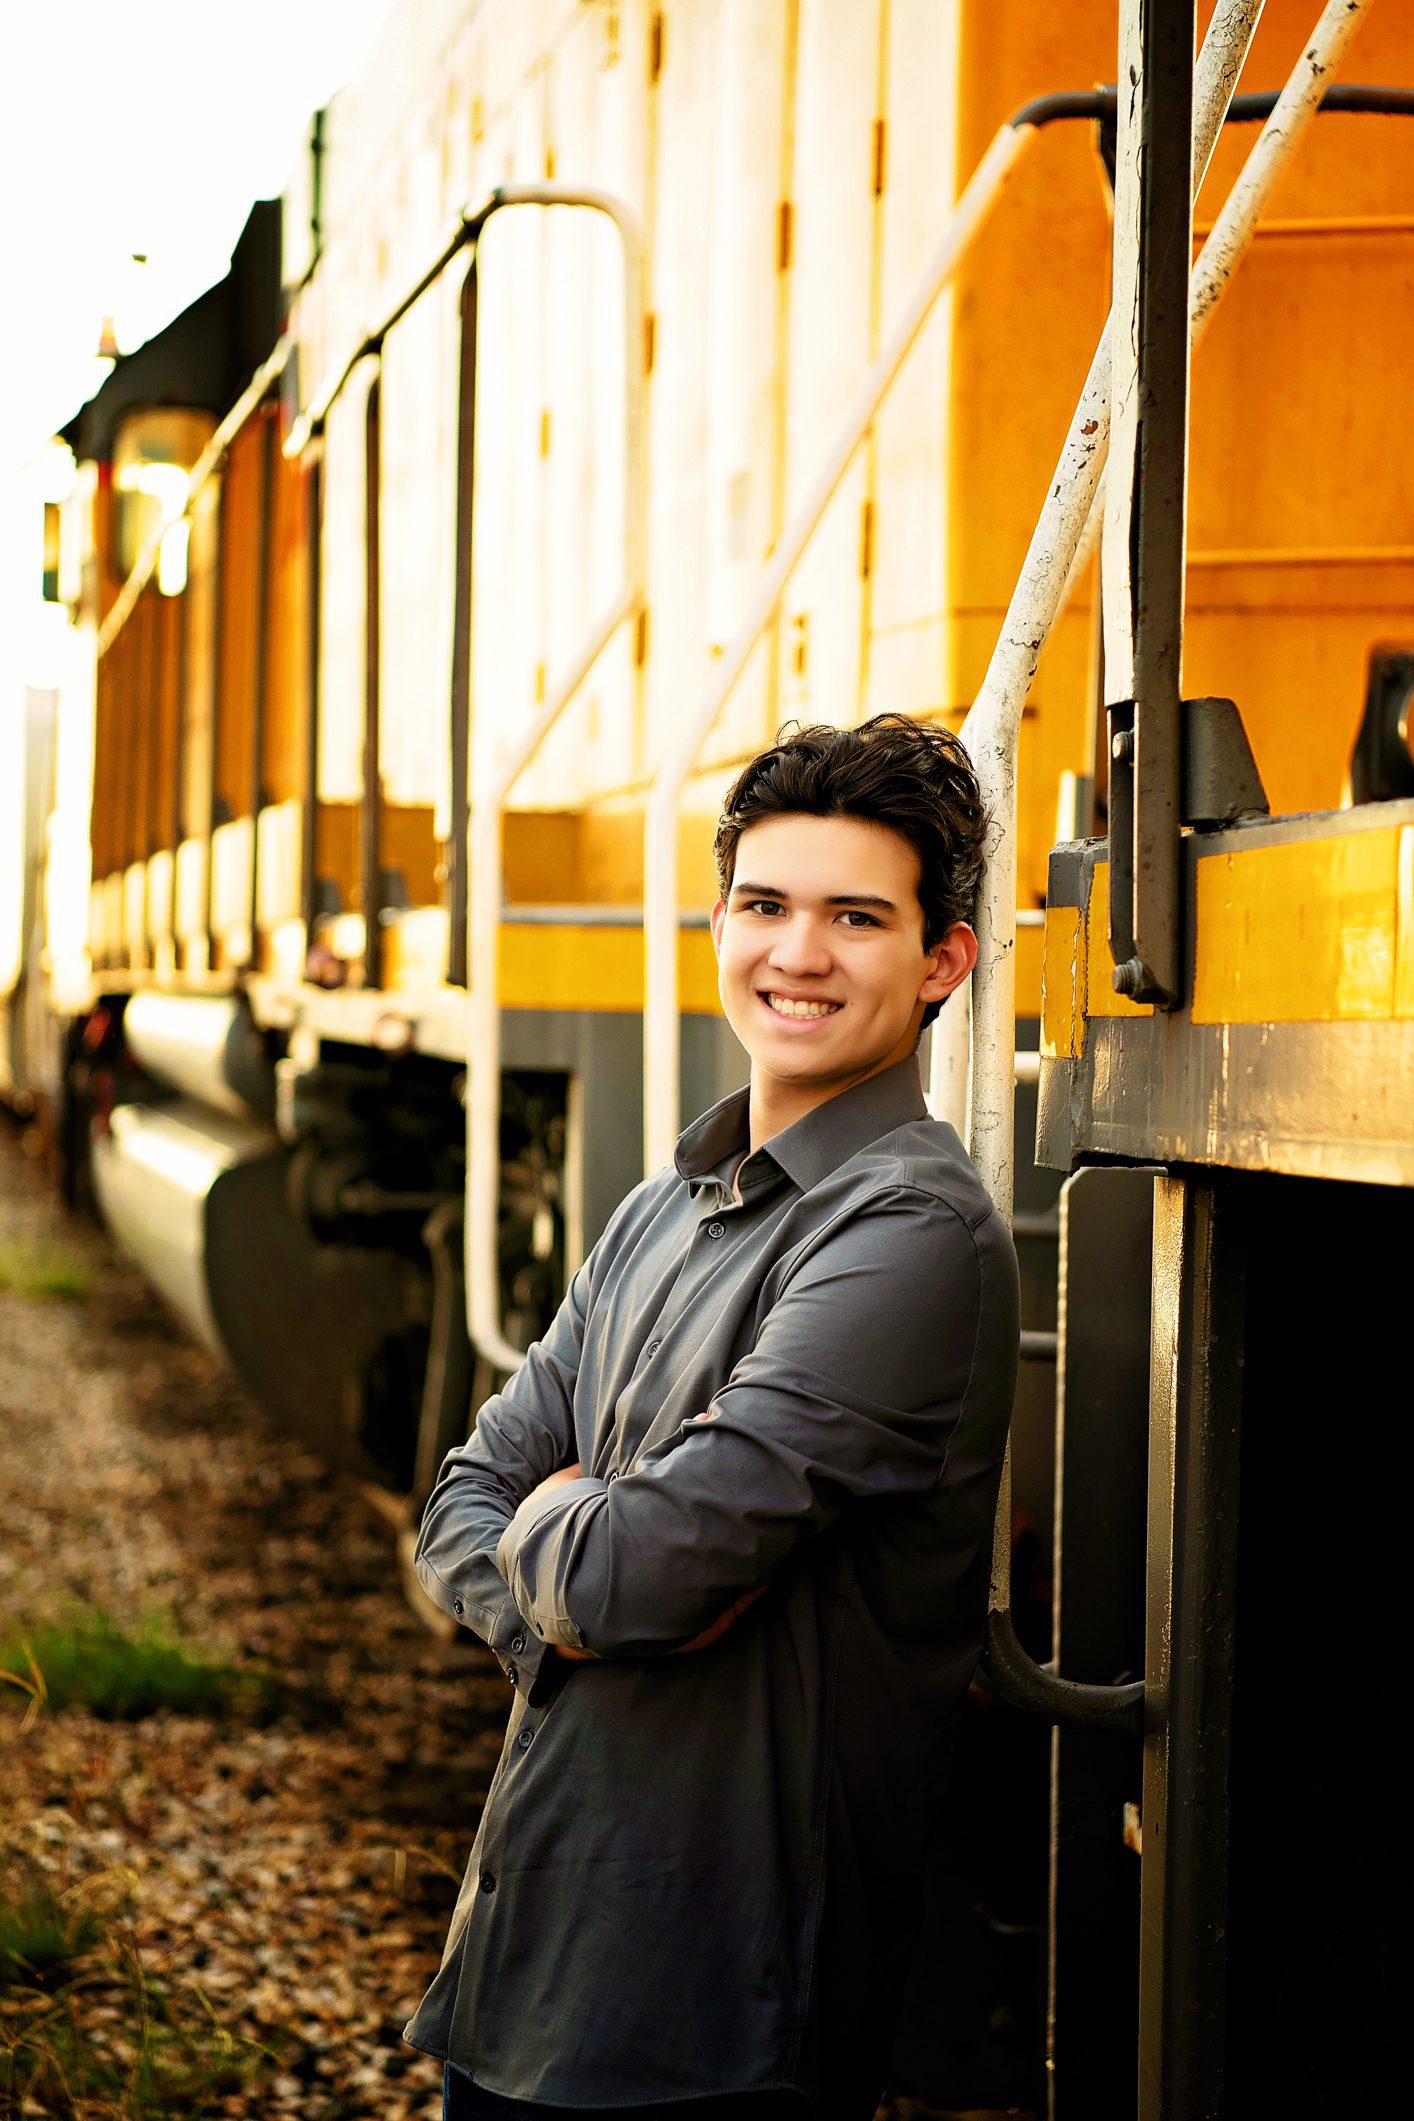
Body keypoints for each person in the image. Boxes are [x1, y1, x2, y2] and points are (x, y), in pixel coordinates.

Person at [404, 712, 1020, 2121]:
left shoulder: (911, 1232)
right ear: (719, 922)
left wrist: (567, 1544)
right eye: (763, 903)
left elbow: (634, 1568)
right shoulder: (656, 1208)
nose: (795, 953)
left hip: (716, 2026)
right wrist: (567, 1578)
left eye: (854, 916)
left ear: (941, 962)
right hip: (530, 1962)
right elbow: (457, 1500)